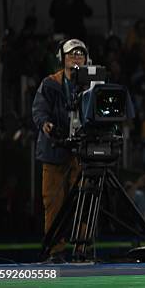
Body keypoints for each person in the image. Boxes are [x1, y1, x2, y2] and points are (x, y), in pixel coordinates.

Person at [32, 38, 89, 262]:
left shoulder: (91, 83)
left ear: (86, 58)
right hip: (54, 150)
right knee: (54, 203)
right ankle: (55, 251)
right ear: (62, 58)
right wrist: (45, 124)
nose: (76, 57)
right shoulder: (50, 83)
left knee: (84, 202)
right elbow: (39, 110)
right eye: (72, 54)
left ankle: (82, 249)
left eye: (80, 54)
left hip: (82, 153)